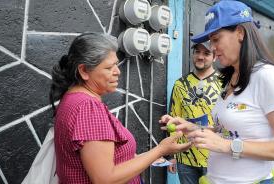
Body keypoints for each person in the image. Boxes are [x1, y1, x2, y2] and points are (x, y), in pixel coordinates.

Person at [160, 1, 274, 183]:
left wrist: (228, 146)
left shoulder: (266, 76)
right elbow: (227, 132)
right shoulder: (230, 77)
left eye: (216, 39)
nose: (212, 47)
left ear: (240, 33)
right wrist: (192, 128)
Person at [49, 32, 191, 184]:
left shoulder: (72, 98)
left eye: (116, 64)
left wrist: (152, 156)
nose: (117, 72)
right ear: (84, 71)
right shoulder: (87, 107)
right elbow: (105, 179)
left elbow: (110, 160)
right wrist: (161, 150)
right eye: (109, 67)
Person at [168, 41, 222, 184]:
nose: (200, 57)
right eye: (197, 52)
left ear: (215, 57)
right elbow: (174, 119)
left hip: (214, 156)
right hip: (185, 158)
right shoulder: (180, 84)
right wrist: (173, 154)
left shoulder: (224, 84)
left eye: (206, 53)